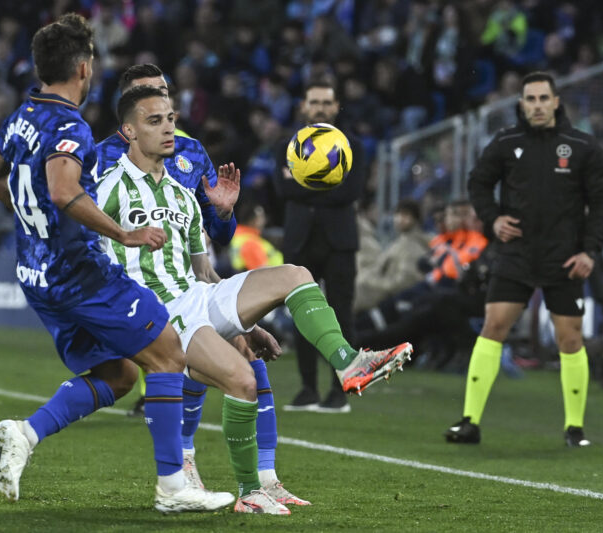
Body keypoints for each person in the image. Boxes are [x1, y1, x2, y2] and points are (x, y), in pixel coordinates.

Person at [97, 85, 412, 512]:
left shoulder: (181, 195)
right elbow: (84, 256)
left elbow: (203, 271)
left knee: (296, 276)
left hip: (196, 295)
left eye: (171, 117)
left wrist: (245, 318)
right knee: (244, 379)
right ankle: (249, 491)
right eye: (155, 121)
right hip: (160, 313)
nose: (169, 128)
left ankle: (347, 363)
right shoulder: (108, 188)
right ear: (129, 132)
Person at [0, 14, 234, 513]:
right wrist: (124, 233)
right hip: (78, 273)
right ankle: (174, 488)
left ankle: (26, 434)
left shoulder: (22, 115)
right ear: (83, 67)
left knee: (118, 374)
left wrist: (35, 225)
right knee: (166, 352)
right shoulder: (68, 123)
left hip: (35, 275)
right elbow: (61, 188)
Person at [444, 71, 603, 447]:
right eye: (530, 99)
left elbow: (602, 202)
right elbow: (478, 182)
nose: (536, 105)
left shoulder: (581, 146)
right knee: (494, 326)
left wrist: (590, 251)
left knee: (569, 338)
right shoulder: (507, 141)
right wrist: (493, 219)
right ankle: (469, 421)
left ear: (556, 102)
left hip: (565, 257)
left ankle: (575, 429)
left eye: (543, 98)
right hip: (516, 253)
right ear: (521, 104)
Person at [97, 63, 238, 418]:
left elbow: (219, 233)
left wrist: (222, 214)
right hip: (127, 286)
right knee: (122, 374)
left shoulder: (191, 152)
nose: (156, 98)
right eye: (145, 92)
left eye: (162, 91)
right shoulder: (98, 159)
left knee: (244, 355)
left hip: (188, 280)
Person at [273, 78, 367, 413]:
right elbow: (282, 191)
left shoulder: (353, 145)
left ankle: (342, 388)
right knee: (303, 314)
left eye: (326, 103)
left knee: (342, 315)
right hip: (300, 240)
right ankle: (308, 389)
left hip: (339, 241)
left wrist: (303, 184)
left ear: (336, 106)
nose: (320, 108)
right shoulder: (285, 144)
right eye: (314, 102)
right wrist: (328, 185)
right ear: (304, 106)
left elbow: (350, 192)